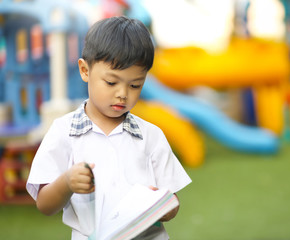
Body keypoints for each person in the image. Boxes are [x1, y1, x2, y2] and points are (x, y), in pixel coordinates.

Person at [26, 16, 191, 240]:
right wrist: (66, 183)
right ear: (85, 70)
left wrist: (163, 205)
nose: (123, 93)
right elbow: (44, 205)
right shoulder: (63, 132)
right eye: (111, 82)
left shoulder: (151, 136)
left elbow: (172, 202)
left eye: (135, 85)